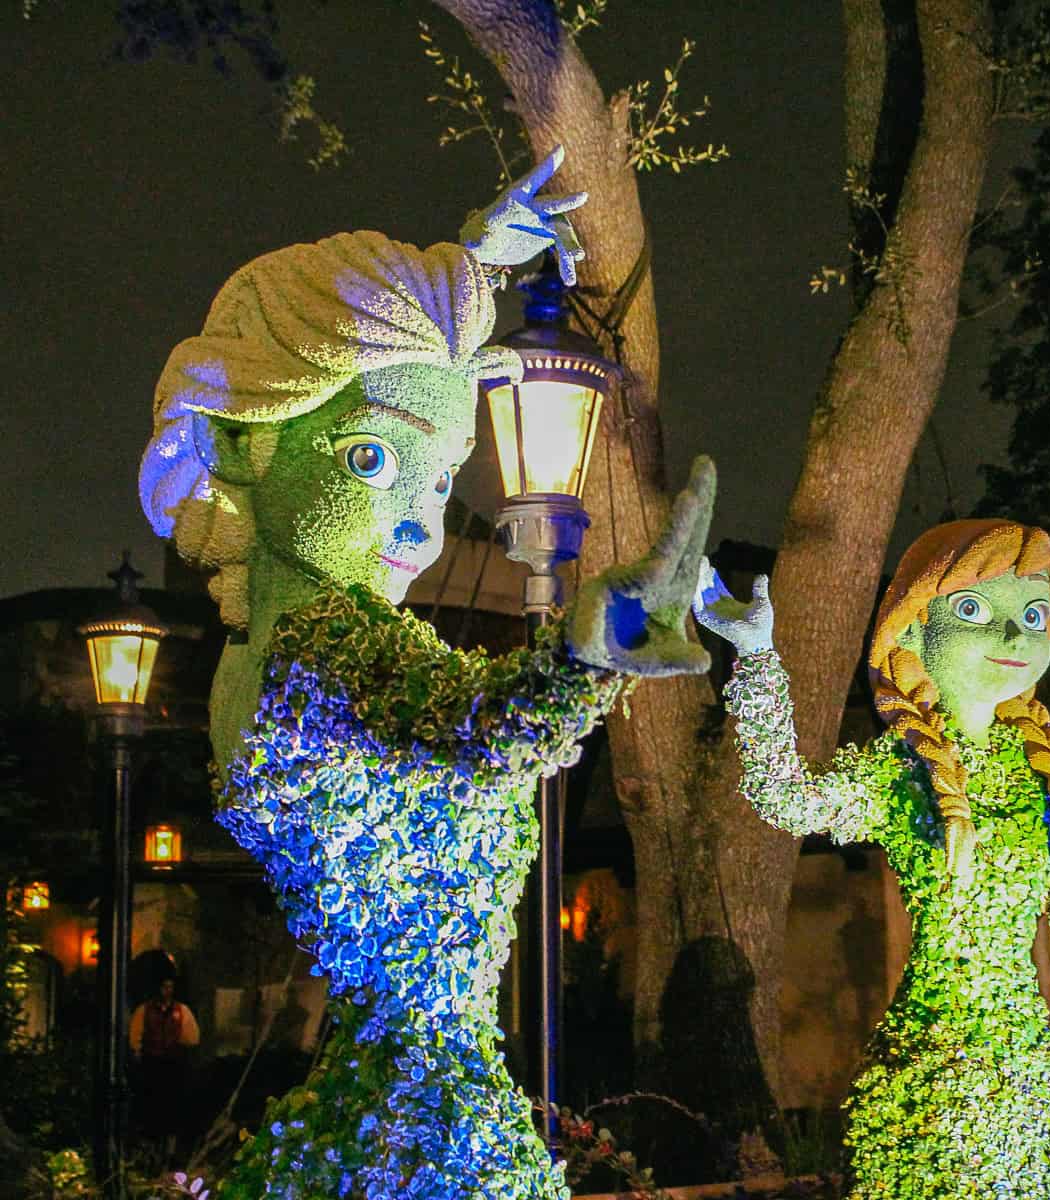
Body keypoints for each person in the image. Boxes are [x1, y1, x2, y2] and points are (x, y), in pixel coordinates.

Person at [139, 147, 717, 1200]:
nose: (419, 518)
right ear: (250, 451)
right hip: (430, 1126)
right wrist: (589, 656)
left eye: (443, 476)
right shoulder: (325, 646)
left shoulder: (273, 657)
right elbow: (486, 723)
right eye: (370, 459)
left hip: (393, 1098)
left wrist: (474, 265)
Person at [695, 519, 1050, 1200]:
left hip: (1037, 1066)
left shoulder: (1041, 772)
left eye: (1032, 616)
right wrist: (759, 657)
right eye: (974, 610)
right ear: (912, 631)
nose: (1013, 638)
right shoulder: (901, 772)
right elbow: (787, 800)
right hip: (939, 1073)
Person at [129, 977, 201, 1161]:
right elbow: (135, 1036)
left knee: (172, 1108)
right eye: (163, 987)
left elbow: (191, 1037)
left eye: (169, 987)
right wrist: (138, 1052)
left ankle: (170, 1151)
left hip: (173, 1064)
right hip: (152, 1063)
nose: (166, 991)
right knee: (152, 1107)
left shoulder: (181, 1010)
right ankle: (153, 1150)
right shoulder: (145, 1010)